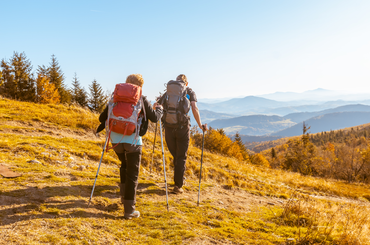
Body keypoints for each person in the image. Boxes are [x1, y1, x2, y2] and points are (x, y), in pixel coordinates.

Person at [97, 74, 163, 219]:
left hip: (115, 141)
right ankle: (129, 211)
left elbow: (102, 118)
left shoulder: (115, 97)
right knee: (132, 174)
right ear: (139, 86)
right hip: (133, 141)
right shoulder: (141, 98)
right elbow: (154, 118)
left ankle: (123, 197)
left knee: (124, 165)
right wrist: (159, 109)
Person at [154, 74, 208, 194]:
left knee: (176, 155)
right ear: (186, 83)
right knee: (181, 156)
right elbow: (194, 107)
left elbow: (157, 106)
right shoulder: (189, 91)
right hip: (183, 128)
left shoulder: (168, 92)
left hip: (168, 126)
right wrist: (200, 125)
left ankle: (178, 179)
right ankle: (178, 185)